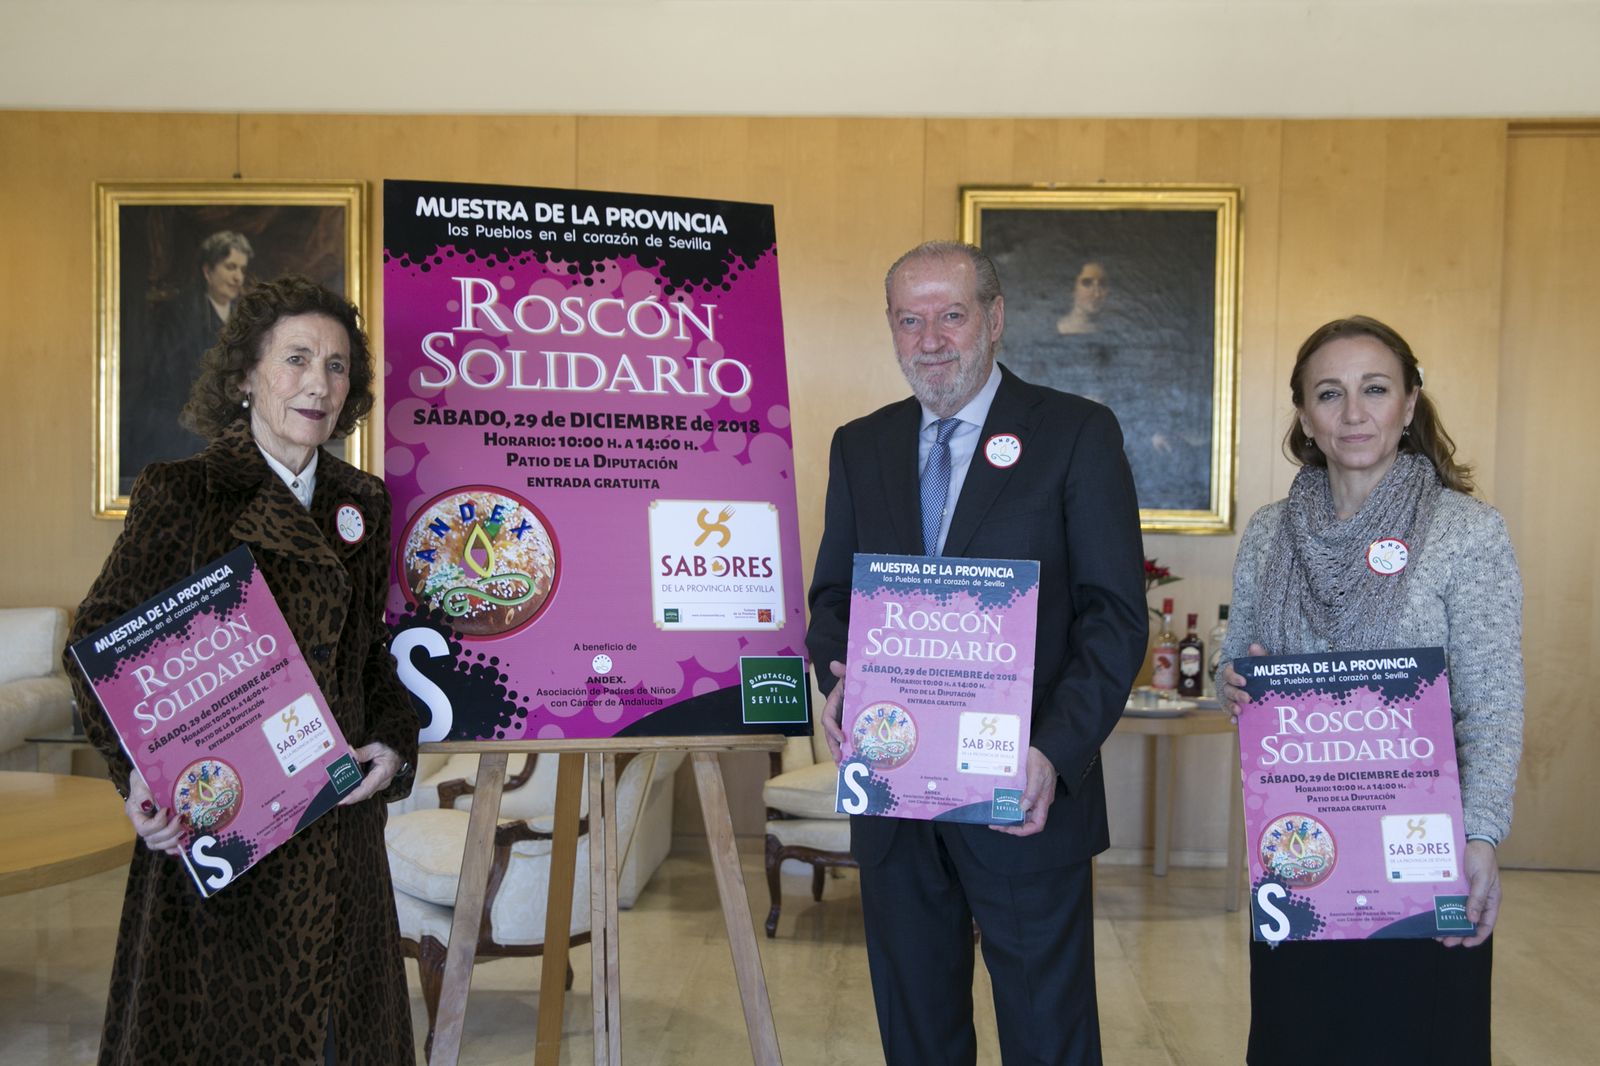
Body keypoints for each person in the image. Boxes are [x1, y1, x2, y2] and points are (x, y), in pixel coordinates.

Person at [807, 241, 1146, 1065]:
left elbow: (1114, 619)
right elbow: (832, 603)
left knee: (1047, 1036)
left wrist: (1052, 753)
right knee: (917, 1033)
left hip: (1022, 797)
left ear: (994, 320)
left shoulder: (1075, 434)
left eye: (951, 315)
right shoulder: (861, 445)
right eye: (909, 318)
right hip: (896, 797)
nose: (930, 339)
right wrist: (835, 681)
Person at [67, 275, 418, 1065]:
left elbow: (371, 654)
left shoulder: (361, 501)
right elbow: (96, 647)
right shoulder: (182, 494)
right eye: (296, 359)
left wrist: (394, 750)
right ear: (243, 378)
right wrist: (139, 775)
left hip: (337, 830)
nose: (318, 384)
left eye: (336, 366)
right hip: (218, 835)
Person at [1216, 315, 1523, 1065]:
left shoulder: (1467, 533)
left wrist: (1481, 838)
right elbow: (1241, 662)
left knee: (1418, 1036)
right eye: (1330, 393)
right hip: (1302, 851)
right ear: (1304, 416)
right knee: (1301, 1035)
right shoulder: (1268, 532)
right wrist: (1237, 680)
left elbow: (1493, 698)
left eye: (1375, 389)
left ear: (1410, 404)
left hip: (1422, 849)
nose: (1354, 413)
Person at [1055, 258, 1111, 335]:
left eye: (1102, 284)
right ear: (1073, 289)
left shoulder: (1111, 329)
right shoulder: (1060, 328)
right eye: (1087, 283)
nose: (1097, 294)